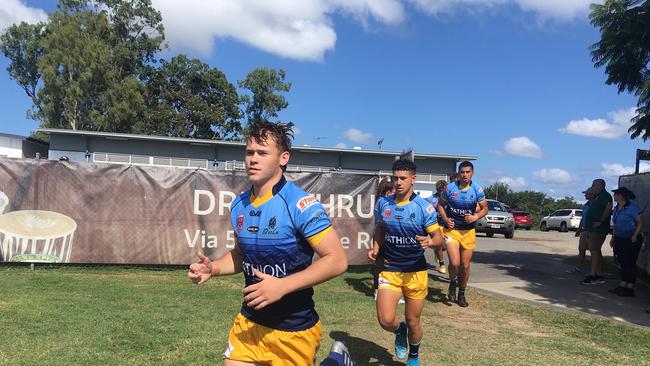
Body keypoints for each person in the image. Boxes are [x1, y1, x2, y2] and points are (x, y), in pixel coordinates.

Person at [187, 120, 348, 366]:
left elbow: (336, 261)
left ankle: (337, 361)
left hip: (294, 329)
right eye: (249, 152)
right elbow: (242, 255)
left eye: (262, 153)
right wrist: (214, 268)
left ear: (283, 158)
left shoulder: (300, 204)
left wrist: (282, 286)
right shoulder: (239, 204)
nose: (253, 159)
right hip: (250, 322)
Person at [368, 159, 444, 366]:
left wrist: (430, 241)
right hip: (390, 268)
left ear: (413, 180)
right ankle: (399, 330)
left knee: (413, 321)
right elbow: (380, 229)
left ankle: (414, 354)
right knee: (385, 319)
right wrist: (376, 247)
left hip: (415, 271)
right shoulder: (383, 204)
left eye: (403, 178)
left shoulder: (424, 207)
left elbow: (439, 238)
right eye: (396, 178)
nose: (399, 182)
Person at [436, 161, 488, 307]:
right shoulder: (450, 188)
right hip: (452, 231)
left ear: (472, 173)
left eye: (468, 172)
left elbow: (485, 209)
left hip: (468, 231)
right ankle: (453, 283)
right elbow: (440, 205)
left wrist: (475, 217)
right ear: (459, 173)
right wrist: (446, 219)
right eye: (463, 172)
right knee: (455, 262)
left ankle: (462, 293)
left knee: (465, 266)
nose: (465, 175)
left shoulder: (477, 189)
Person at [608, 187, 645, 297]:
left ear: (621, 195)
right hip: (620, 238)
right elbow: (615, 224)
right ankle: (622, 285)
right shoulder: (617, 208)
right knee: (622, 262)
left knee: (630, 263)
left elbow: (640, 222)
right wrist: (613, 238)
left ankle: (630, 287)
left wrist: (635, 235)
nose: (614, 196)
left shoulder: (632, 207)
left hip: (631, 239)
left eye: (615, 194)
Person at [580, 178, 613, 286]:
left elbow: (608, 208)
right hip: (591, 229)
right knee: (596, 251)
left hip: (598, 229)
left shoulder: (605, 196)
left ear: (600, 186)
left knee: (594, 251)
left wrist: (601, 220)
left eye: (594, 185)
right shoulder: (597, 197)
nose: (592, 187)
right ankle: (599, 274)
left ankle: (593, 275)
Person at [372, 177, 399, 301]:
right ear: (389, 193)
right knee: (385, 265)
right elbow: (385, 222)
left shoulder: (380, 200)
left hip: (380, 236)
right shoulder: (385, 203)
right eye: (395, 191)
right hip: (385, 237)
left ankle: (378, 291)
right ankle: (383, 292)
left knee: (381, 265)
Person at [567, 188, 596, 274]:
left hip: (592, 231)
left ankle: (594, 272)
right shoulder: (586, 205)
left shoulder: (596, 205)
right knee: (581, 249)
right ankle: (578, 268)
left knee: (594, 251)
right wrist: (579, 229)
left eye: (586, 193)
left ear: (592, 194)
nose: (585, 195)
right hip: (585, 230)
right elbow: (583, 218)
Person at [427, 179, 449, 274]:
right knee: (439, 244)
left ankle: (437, 251)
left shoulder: (450, 198)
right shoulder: (432, 199)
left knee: (445, 246)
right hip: (435, 225)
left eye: (443, 190)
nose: (441, 192)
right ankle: (442, 265)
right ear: (437, 189)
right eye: (440, 190)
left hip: (447, 225)